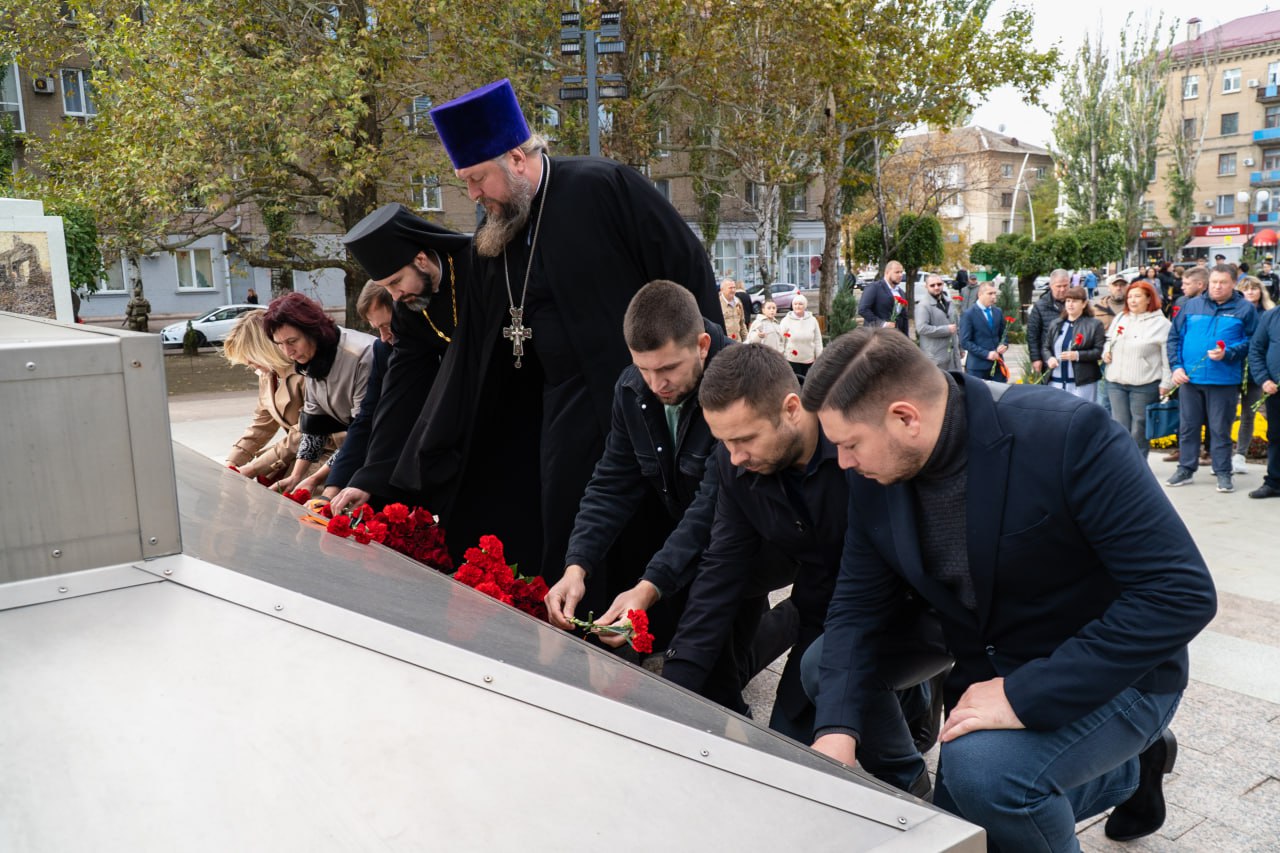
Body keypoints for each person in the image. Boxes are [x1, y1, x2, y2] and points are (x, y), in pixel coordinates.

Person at [805, 327, 1217, 850]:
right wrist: (836, 732)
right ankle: (1121, 775)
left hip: (1118, 674)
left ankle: (1127, 762)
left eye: (849, 445)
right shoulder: (873, 475)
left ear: (905, 417)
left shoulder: (1067, 435)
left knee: (986, 777)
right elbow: (856, 607)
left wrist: (1025, 694)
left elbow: (1179, 593)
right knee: (831, 673)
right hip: (985, 656)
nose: (842, 462)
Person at [399, 78, 720, 592]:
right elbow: (475, 346)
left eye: (478, 179)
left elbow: (686, 270)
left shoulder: (605, 186)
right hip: (559, 406)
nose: (473, 194)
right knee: (566, 518)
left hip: (640, 391)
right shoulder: (496, 229)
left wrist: (707, 370)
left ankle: (652, 625)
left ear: (517, 159)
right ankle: (580, 619)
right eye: (466, 182)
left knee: (649, 520)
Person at [664, 343, 944, 796]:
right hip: (822, 612)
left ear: (791, 409)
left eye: (745, 439)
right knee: (787, 760)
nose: (734, 456)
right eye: (724, 442)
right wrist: (670, 693)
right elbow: (720, 571)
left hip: (905, 606)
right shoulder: (737, 466)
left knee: (838, 690)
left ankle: (909, 780)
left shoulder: (857, 448)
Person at [544, 280, 792, 712]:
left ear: (700, 345)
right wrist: (577, 565)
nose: (656, 384)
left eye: (668, 369)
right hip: (694, 551)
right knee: (717, 667)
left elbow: (710, 507)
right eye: (644, 369)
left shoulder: (735, 386)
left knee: (720, 673)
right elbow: (611, 483)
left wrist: (648, 588)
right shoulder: (632, 389)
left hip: (749, 549)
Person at [328, 204, 472, 515]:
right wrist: (369, 476)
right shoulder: (409, 311)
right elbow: (399, 394)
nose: (394, 296)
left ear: (420, 259)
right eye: (386, 287)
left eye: (396, 282)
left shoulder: (479, 267)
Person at [262, 292, 385, 497]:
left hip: (380, 453)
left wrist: (318, 480)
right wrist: (296, 476)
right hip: (358, 449)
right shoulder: (312, 357)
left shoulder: (361, 356)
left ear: (314, 331)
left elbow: (361, 432)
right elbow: (315, 427)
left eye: (292, 341)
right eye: (280, 344)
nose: (288, 352)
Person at [1166, 264, 1259, 493]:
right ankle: (1186, 468)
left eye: (1223, 282)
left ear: (1233, 283)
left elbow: (1252, 342)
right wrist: (1176, 367)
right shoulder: (1191, 305)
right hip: (1189, 379)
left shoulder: (1245, 309)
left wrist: (1228, 353)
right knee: (1188, 427)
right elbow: (1174, 338)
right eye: (1214, 282)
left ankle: (1223, 472)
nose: (1217, 286)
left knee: (1220, 429)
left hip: (1223, 380)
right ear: (1208, 282)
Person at [222, 308, 332, 483]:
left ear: (264, 349)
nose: (249, 364)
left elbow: (306, 430)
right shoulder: (268, 374)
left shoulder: (305, 373)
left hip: (324, 457)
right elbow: (262, 424)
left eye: (249, 357)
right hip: (295, 455)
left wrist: (254, 467)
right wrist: (231, 463)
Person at [1103, 280, 1172, 455]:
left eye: (1138, 296)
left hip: (1144, 384)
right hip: (1116, 381)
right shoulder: (1121, 317)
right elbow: (1109, 339)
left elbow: (1167, 357)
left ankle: (1139, 468)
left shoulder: (1162, 324)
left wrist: (1166, 383)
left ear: (1149, 299)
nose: (1132, 300)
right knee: (1120, 427)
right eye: (1130, 296)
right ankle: (1121, 466)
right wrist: (1106, 352)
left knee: (1139, 429)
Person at [1234, 277, 1276, 473]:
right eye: (1246, 289)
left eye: (1254, 289)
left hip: (1257, 372)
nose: (1250, 292)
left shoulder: (1268, 314)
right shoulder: (1234, 312)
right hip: (1233, 369)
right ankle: (1221, 453)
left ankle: (1240, 454)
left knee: (1248, 414)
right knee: (1224, 414)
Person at [1043, 286, 1105, 403]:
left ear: (1084, 304)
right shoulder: (1055, 324)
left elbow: (1099, 351)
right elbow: (1046, 347)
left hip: (1082, 383)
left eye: (1075, 301)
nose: (1070, 304)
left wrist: (1077, 355)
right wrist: (1049, 358)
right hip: (1056, 382)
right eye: (1068, 301)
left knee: (1082, 417)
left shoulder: (1094, 325)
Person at [1247, 298, 1280, 498]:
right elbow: (1256, 350)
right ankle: (1274, 481)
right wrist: (1264, 379)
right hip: (1275, 390)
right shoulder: (1271, 316)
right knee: (1276, 435)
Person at [958, 282, 1007, 382]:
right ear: (980, 294)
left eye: (995, 293)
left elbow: (1003, 334)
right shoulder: (969, 314)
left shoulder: (998, 312)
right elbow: (965, 342)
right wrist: (986, 354)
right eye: (990, 294)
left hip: (997, 365)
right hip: (977, 367)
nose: (993, 297)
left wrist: (1004, 344)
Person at [1027, 269, 1069, 374]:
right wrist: (1036, 358)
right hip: (1049, 358)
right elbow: (1032, 334)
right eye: (1058, 286)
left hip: (1071, 357)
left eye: (1066, 285)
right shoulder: (1041, 306)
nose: (1062, 289)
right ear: (1051, 285)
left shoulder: (1077, 303)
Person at [915, 272, 960, 370]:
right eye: (932, 285)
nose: (936, 287)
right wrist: (946, 329)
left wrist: (960, 348)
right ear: (926, 287)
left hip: (953, 357)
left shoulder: (949, 301)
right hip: (936, 359)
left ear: (943, 284)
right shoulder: (923, 305)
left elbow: (957, 326)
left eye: (939, 284)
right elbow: (922, 329)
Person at [858, 260, 909, 335]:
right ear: (887, 272)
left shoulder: (901, 292)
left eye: (901, 272)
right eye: (897, 272)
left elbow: (904, 317)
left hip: (896, 337)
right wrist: (882, 324)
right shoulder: (874, 288)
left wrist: (905, 338)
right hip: (876, 336)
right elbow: (863, 310)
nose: (900, 275)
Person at [778, 294, 823, 379]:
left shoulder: (812, 320)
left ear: (805, 306)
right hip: (791, 360)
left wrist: (819, 356)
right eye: (795, 304)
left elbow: (817, 340)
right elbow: (781, 340)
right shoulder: (786, 321)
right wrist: (781, 356)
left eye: (800, 304)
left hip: (809, 360)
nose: (797, 306)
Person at [718, 277, 749, 341]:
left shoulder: (738, 302)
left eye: (734, 287)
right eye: (730, 288)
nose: (733, 290)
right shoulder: (717, 303)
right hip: (725, 343)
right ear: (722, 289)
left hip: (738, 343)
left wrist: (746, 340)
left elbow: (742, 323)